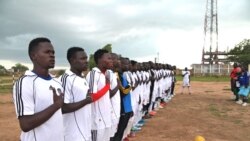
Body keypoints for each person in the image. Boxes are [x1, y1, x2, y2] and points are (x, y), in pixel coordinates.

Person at [13, 37, 64, 141]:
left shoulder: (57, 81)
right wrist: (55, 106)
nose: (52, 55)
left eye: (53, 52)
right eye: (47, 52)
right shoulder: (25, 83)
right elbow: (25, 124)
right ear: (33, 56)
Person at [59, 47, 93, 141]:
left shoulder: (82, 77)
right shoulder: (66, 78)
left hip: (85, 130)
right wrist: (86, 101)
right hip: (73, 134)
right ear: (72, 60)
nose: (86, 61)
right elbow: (62, 108)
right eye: (82, 59)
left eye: (86, 58)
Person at [86, 49, 113, 141]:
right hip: (96, 122)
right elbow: (91, 97)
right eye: (108, 58)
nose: (111, 60)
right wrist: (107, 86)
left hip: (106, 119)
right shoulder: (93, 74)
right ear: (99, 59)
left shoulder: (104, 74)